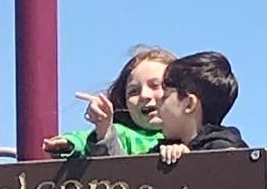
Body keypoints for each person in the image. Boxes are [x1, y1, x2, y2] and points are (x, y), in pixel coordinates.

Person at [41, 46, 175, 159]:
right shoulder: (123, 135)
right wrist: (70, 143)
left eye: (156, 85)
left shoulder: (190, 136)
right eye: (133, 91)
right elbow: (86, 140)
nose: (144, 95)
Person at [153, 49, 248, 165]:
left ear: (189, 104)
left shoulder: (226, 154)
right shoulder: (162, 149)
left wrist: (190, 163)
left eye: (165, 95)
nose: (157, 100)